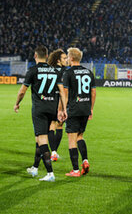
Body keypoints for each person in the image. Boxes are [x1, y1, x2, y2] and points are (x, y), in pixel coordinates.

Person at [14, 45, 67, 182]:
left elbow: (22, 91)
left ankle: (50, 173)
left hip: (39, 109)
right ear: (47, 56)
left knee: (42, 139)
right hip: (52, 108)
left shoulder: (33, 70)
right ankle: (35, 168)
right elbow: (62, 91)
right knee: (39, 139)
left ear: (35, 56)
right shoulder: (55, 71)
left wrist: (17, 103)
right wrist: (64, 109)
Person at [62, 48, 96, 177]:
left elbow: (65, 92)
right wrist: (91, 108)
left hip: (74, 109)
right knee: (80, 136)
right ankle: (85, 161)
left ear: (71, 58)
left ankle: (75, 170)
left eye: (67, 57)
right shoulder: (88, 72)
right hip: (85, 108)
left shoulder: (68, 72)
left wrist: (63, 109)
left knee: (71, 140)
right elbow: (93, 92)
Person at [47, 49, 69, 161]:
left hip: (48, 101)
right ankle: (54, 152)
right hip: (59, 101)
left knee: (51, 126)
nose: (66, 60)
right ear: (58, 60)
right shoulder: (64, 71)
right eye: (64, 58)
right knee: (59, 125)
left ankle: (53, 152)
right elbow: (64, 91)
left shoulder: (49, 69)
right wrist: (62, 107)